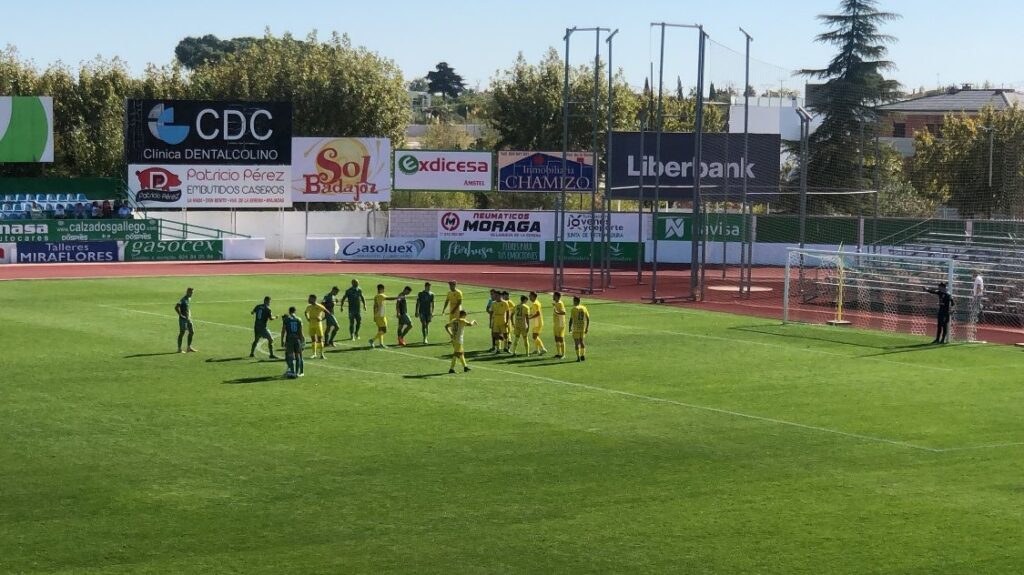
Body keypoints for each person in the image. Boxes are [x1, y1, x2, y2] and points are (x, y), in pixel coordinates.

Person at [369, 284, 398, 349]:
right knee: (384, 330)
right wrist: (397, 297)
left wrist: (374, 316)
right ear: (380, 289)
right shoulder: (381, 295)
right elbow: (389, 298)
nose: (384, 290)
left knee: (380, 330)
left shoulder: (376, 296)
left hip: (377, 315)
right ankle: (372, 340)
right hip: (381, 315)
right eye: (383, 289)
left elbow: (374, 306)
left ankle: (381, 344)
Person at [280, 307, 305, 378]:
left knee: (290, 356)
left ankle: (292, 371)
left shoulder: (286, 320)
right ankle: (298, 372)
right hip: (297, 340)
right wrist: (303, 341)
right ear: (295, 311)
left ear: (289, 311)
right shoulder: (299, 319)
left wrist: (282, 341)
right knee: (298, 356)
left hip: (289, 340)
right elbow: (301, 332)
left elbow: (283, 331)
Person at [304, 294, 329, 359]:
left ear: (314, 299)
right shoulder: (309, 306)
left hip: (318, 324)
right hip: (311, 324)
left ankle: (321, 354)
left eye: (310, 299)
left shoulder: (319, 306)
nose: (308, 300)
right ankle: (314, 354)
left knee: (320, 339)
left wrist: (322, 318)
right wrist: (307, 318)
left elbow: (327, 313)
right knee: (313, 339)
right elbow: (305, 312)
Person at [174, 287, 196, 353]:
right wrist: (180, 315)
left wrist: (189, 315)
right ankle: (179, 349)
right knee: (182, 333)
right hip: (183, 320)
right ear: (187, 292)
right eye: (191, 292)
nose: (192, 294)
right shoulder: (183, 299)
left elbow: (187, 308)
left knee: (192, 332)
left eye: (192, 293)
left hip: (188, 319)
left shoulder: (189, 298)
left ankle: (189, 347)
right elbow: (176, 307)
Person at [569, 296, 590, 361]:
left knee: (576, 343)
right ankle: (583, 355)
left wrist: (569, 328)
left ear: (576, 301)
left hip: (576, 328)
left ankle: (578, 357)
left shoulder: (574, 309)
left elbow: (571, 320)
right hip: (582, 327)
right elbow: (588, 318)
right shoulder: (584, 308)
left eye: (573, 301)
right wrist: (587, 328)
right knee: (582, 342)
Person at [489, 289, 508, 354]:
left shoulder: (505, 303)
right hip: (496, 320)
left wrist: (507, 321)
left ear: (501, 296)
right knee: (495, 334)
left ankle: (505, 348)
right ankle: (498, 349)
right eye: (495, 295)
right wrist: (490, 322)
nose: (496, 297)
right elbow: (491, 313)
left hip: (503, 319)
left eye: (497, 296)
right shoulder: (493, 303)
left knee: (505, 334)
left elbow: (508, 312)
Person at [969, 270, 984, 341]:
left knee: (975, 312)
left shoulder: (978, 279)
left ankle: (975, 326)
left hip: (977, 296)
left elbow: (978, 288)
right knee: (976, 310)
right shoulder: (979, 278)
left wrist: (975, 297)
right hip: (978, 296)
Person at [551, 291, 567, 359]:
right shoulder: (556, 303)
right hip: (556, 323)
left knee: (561, 339)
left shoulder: (560, 303)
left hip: (560, 323)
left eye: (554, 296)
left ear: (557, 296)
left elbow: (564, 312)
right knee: (556, 338)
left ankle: (563, 354)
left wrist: (557, 312)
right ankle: (558, 353)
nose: (553, 297)